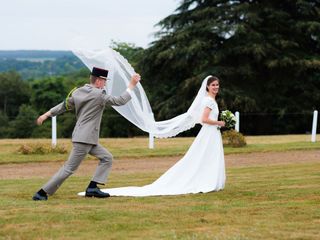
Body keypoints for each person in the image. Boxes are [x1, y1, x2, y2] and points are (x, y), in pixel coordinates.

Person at [85, 76, 226, 197]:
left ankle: (210, 180)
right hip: (209, 133)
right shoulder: (208, 101)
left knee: (208, 157)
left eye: (217, 85)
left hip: (211, 133)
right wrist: (220, 122)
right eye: (213, 85)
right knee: (204, 156)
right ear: (207, 87)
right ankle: (207, 181)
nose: (216, 87)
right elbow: (204, 119)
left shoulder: (209, 100)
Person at [32, 67, 141, 200]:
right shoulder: (99, 95)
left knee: (107, 158)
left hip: (86, 137)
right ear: (99, 81)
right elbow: (120, 101)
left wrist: (45, 115)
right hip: (85, 139)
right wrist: (131, 85)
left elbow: (62, 106)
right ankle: (42, 193)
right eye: (105, 81)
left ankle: (92, 188)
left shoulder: (78, 92)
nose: (105, 84)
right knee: (68, 169)